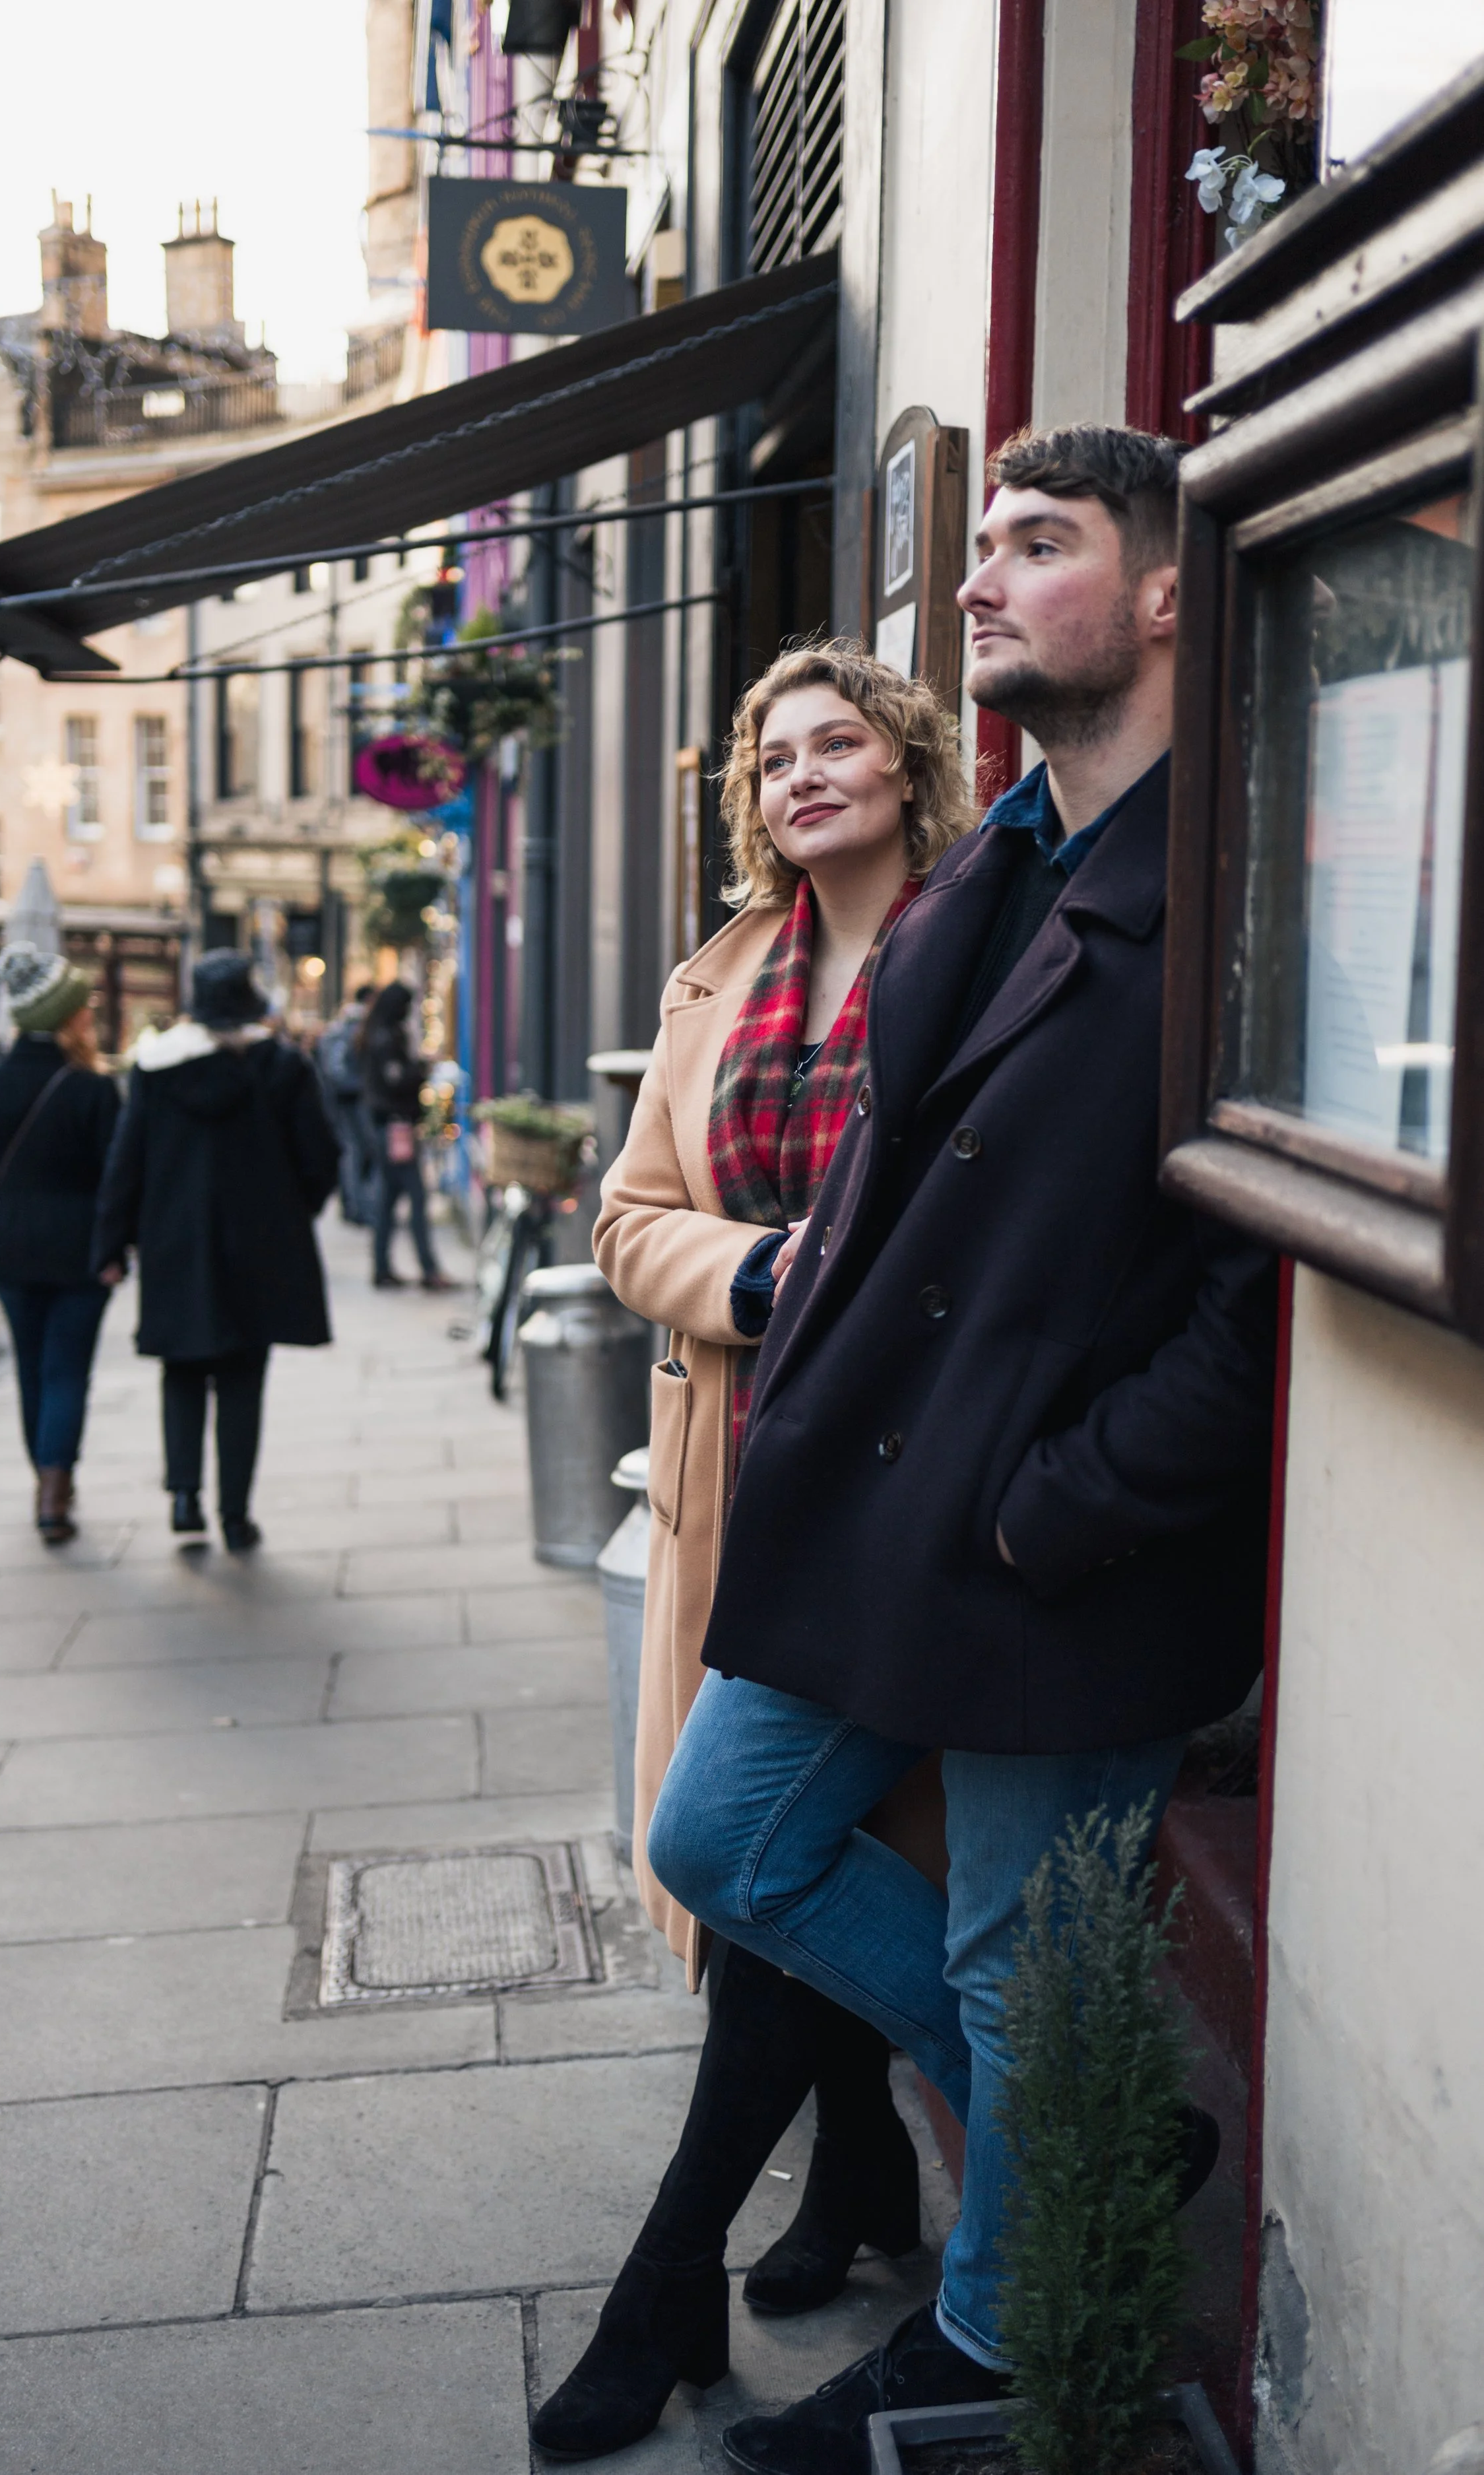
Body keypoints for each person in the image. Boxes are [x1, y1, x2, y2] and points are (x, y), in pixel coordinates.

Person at [642, 427, 1277, 2475]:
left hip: (1051, 1536)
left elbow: (1258, 1286)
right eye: (979, 541)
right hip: (873, 1499)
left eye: (1036, 542)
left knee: (1022, 1950)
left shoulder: (1236, 871)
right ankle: (1073, 2116)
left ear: (1166, 587)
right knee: (718, 1836)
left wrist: (1061, 1495)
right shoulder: (996, 858)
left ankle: (995, 2343)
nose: (981, 579)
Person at [530, 645, 974, 2461]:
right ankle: (861, 2163)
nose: (804, 773)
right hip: (747, 1469)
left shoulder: (989, 936)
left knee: (774, 1851)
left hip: (912, 1477)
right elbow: (631, 1213)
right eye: (773, 756)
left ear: (905, 757)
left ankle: (666, 2274)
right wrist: (757, 1270)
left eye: (837, 740)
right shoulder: (714, 975)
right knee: (770, 1865)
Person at [91, 949, 339, 1551]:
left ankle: (183, 1495)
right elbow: (321, 1159)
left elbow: (127, 1164)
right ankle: (234, 1513)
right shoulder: (282, 1069)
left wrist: (112, 1243)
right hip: (259, 1246)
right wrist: (290, 1212)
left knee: (182, 1369)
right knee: (242, 1376)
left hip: (175, 1243)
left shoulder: (155, 1069)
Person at [0, 944, 121, 1545]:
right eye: (83, 1007)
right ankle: (55, 1487)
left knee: (32, 1367)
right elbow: (116, 1181)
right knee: (67, 1370)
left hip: (11, 1250)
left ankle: (45, 1477)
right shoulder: (93, 1090)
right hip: (81, 1252)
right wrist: (116, 1250)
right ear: (67, 1016)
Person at [359, 981, 450, 1291]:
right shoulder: (387, 1038)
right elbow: (396, 1080)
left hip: (389, 1125)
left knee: (389, 1199)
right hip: (396, 1127)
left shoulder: (379, 1034)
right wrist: (423, 1068)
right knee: (415, 1196)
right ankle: (427, 1268)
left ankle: (384, 1267)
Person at [317, 983, 378, 1226]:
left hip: (346, 1100)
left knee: (355, 1152)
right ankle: (357, 1207)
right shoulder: (354, 1028)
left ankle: (354, 1206)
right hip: (352, 1100)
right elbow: (337, 1070)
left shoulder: (342, 1028)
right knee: (356, 1152)